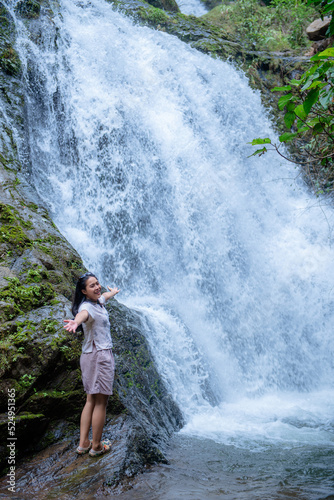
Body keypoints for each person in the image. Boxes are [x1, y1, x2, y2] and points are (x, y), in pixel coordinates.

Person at [64, 272, 120, 457]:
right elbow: (83, 315)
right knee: (101, 402)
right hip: (100, 356)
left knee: (90, 400)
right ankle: (96, 446)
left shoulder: (98, 301)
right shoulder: (87, 307)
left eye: (97, 283)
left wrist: (113, 292)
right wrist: (75, 322)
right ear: (83, 291)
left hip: (89, 355)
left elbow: (103, 297)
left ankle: (83, 443)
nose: (97, 287)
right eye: (92, 286)